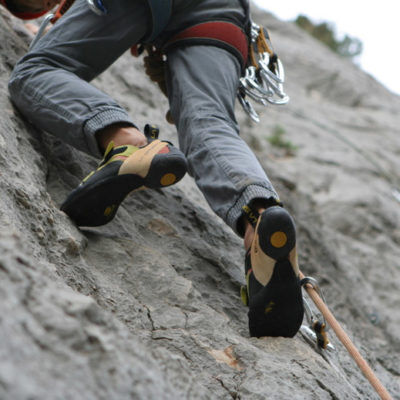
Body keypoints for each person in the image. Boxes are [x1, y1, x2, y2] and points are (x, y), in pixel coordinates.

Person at [8, 0, 304, 338]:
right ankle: (260, 218)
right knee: (209, 124)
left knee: (37, 71)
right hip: (224, 10)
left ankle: (126, 143)